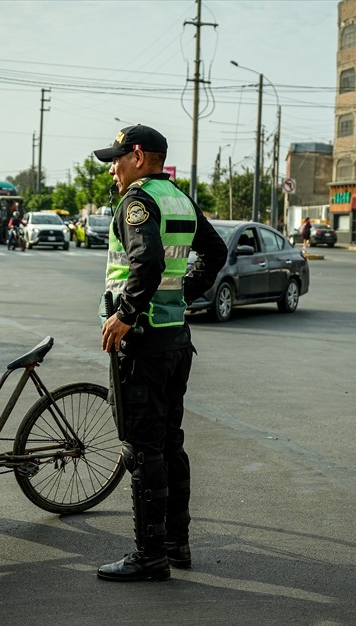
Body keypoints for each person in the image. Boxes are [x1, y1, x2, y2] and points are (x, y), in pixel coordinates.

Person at [92, 123, 227, 582]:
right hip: (175, 340)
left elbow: (147, 261)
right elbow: (215, 250)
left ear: (136, 155)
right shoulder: (179, 198)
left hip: (144, 343)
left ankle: (149, 555)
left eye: (116, 159)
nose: (112, 169)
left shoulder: (138, 200)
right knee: (170, 441)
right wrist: (183, 292)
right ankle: (176, 542)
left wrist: (125, 314)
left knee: (142, 446)